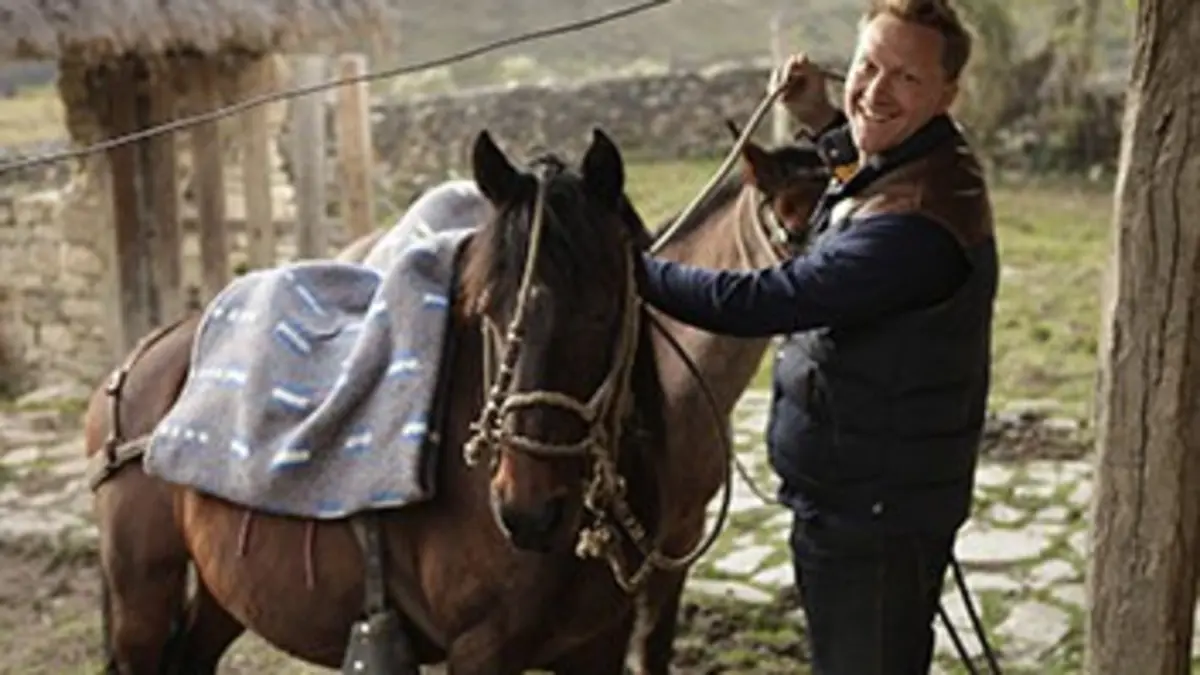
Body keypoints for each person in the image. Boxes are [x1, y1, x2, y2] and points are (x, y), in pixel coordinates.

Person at [637, 1, 997, 673]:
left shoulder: (914, 226)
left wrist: (628, 270)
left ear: (948, 94)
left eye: (906, 78)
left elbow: (770, 298)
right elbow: (867, 169)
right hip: (865, 497)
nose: (876, 89)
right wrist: (823, 119)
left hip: (874, 517)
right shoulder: (924, 163)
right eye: (867, 66)